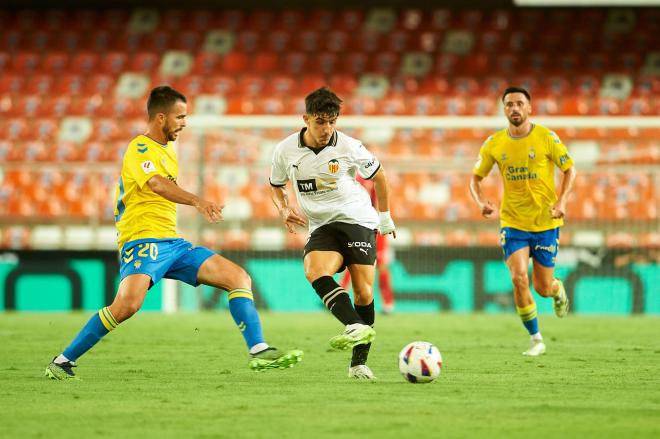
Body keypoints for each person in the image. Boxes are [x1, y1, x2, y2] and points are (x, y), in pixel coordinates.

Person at [45, 86, 302, 380]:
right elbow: (155, 184)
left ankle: (259, 350)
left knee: (238, 277)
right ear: (160, 117)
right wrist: (197, 201)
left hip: (173, 244)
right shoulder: (140, 148)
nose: (184, 123)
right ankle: (63, 361)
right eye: (180, 117)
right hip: (143, 240)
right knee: (126, 306)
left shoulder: (167, 150)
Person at [269, 87, 396, 379]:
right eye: (320, 121)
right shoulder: (285, 150)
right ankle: (354, 325)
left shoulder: (350, 147)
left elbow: (380, 176)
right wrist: (282, 207)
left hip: (357, 219)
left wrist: (385, 217)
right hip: (322, 225)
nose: (326, 128)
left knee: (364, 293)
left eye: (332, 121)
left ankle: (358, 364)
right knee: (314, 270)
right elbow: (275, 184)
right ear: (306, 119)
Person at [469, 86, 576, 357]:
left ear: (529, 108)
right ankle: (536, 338)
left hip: (545, 223)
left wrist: (562, 201)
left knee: (542, 288)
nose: (514, 108)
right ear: (504, 109)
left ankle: (556, 288)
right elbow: (475, 178)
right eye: (509, 104)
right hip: (513, 223)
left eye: (519, 103)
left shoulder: (546, 137)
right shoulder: (494, 143)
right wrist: (481, 202)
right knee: (518, 278)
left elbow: (569, 169)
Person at [339, 176, 396, 314]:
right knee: (353, 261)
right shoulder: (353, 178)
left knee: (381, 266)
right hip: (360, 225)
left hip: (376, 226)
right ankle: (341, 296)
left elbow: (384, 198)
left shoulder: (375, 177)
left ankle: (388, 303)